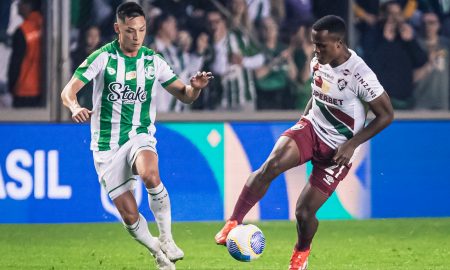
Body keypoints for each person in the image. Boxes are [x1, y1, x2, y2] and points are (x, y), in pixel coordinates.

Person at [214, 15, 393, 270]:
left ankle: (301, 252)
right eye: (314, 44)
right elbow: (316, 94)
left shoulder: (360, 74)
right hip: (311, 129)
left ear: (339, 43)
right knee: (271, 165)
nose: (316, 50)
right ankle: (233, 222)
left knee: (304, 212)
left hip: (339, 150)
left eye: (321, 45)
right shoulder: (318, 62)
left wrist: (352, 144)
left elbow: (387, 115)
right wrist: (302, 122)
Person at [61, 3, 213, 270]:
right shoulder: (103, 58)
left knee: (150, 174)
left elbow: (186, 96)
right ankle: (157, 250)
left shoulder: (153, 61)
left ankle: (167, 239)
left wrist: (195, 89)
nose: (137, 36)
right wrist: (75, 107)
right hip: (106, 147)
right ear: (117, 29)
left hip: (140, 136)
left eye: (142, 30)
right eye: (130, 31)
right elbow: (68, 91)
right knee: (130, 216)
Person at [7, 0, 42, 108]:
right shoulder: (48, 27)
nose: (17, 6)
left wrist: (11, 85)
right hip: (45, 89)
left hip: (24, 90)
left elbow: (15, 63)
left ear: (29, 5)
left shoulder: (23, 30)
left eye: (20, 3)